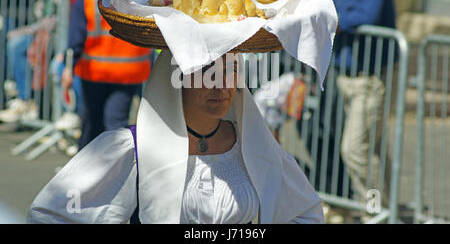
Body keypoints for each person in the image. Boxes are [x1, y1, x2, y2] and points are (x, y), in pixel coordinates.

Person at [27, 48, 325, 223]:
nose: (221, 85)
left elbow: (305, 213)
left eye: (230, 70)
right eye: (206, 71)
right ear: (175, 77)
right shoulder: (132, 150)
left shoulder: (254, 146)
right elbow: (50, 213)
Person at [326, 0, 396, 207]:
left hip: (370, 78)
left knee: (354, 149)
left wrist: (340, 20)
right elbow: (328, 11)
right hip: (348, 79)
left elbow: (366, 15)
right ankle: (384, 208)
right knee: (372, 148)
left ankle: (374, 210)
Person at [62, 0, 153, 151]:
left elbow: (77, 31)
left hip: (94, 69)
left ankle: (85, 173)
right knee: (116, 125)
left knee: (92, 123)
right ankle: (118, 177)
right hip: (130, 71)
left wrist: (69, 65)